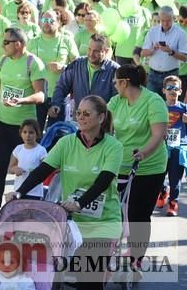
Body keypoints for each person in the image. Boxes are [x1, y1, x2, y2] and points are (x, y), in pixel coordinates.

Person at [7, 95, 123, 290]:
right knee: (55, 274)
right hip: (70, 222)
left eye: (87, 113)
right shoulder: (66, 143)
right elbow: (43, 171)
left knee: (89, 280)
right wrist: (19, 193)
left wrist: (80, 203)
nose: (81, 117)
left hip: (102, 223)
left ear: (101, 118)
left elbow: (102, 182)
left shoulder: (114, 147)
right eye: (78, 113)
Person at [0, 27, 46, 224]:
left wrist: (21, 101)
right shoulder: (4, 62)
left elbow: (41, 95)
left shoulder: (33, 63)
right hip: (2, 123)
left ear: (18, 44)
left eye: (6, 42)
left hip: (24, 129)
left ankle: (26, 212)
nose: (2, 45)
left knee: (26, 170)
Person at [107, 64, 167, 278]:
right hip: (119, 166)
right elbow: (103, 126)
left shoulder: (153, 101)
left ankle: (135, 262)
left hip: (150, 167)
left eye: (116, 82)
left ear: (124, 82)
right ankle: (107, 256)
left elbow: (158, 134)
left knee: (138, 216)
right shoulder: (116, 101)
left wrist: (143, 153)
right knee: (114, 213)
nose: (114, 86)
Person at [27, 9, 80, 130]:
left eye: (51, 20)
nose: (46, 23)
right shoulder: (33, 42)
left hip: (59, 95)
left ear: (59, 22)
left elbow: (77, 65)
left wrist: (63, 67)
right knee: (34, 134)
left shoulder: (67, 40)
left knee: (56, 135)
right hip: (37, 95)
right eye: (44, 20)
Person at [50, 33, 120, 120]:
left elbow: (118, 98)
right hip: (80, 120)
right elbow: (62, 86)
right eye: (89, 49)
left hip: (102, 122)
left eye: (96, 51)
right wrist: (56, 104)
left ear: (106, 51)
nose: (91, 54)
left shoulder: (114, 70)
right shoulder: (76, 64)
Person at [157, 75, 187, 217]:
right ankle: (163, 191)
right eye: (169, 88)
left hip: (179, 148)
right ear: (163, 90)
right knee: (157, 176)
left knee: (175, 178)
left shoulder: (184, 108)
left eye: (175, 88)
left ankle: (173, 203)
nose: (172, 91)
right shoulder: (158, 107)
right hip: (160, 148)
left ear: (180, 91)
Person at [140, 5, 187, 96]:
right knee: (151, 104)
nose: (165, 23)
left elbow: (185, 58)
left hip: (171, 76)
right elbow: (143, 53)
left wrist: (171, 51)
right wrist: (152, 49)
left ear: (173, 19)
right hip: (153, 75)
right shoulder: (152, 31)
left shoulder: (180, 33)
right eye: (162, 20)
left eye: (168, 21)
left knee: (169, 106)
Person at [7, 119, 46, 200]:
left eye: (31, 132)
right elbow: (10, 168)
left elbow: (45, 169)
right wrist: (15, 169)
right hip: (19, 190)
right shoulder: (18, 149)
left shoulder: (41, 150)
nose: (27, 135)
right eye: (24, 132)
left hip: (35, 192)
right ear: (20, 133)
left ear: (37, 134)